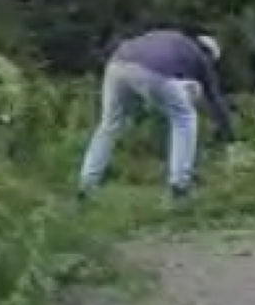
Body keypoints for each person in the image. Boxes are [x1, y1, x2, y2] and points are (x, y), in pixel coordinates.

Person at [77, 28, 235, 200]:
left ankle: (87, 184)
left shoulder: (171, 37)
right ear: (209, 54)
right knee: (185, 118)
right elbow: (214, 98)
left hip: (117, 64)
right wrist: (226, 129)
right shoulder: (200, 57)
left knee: (108, 126)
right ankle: (180, 185)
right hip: (151, 71)